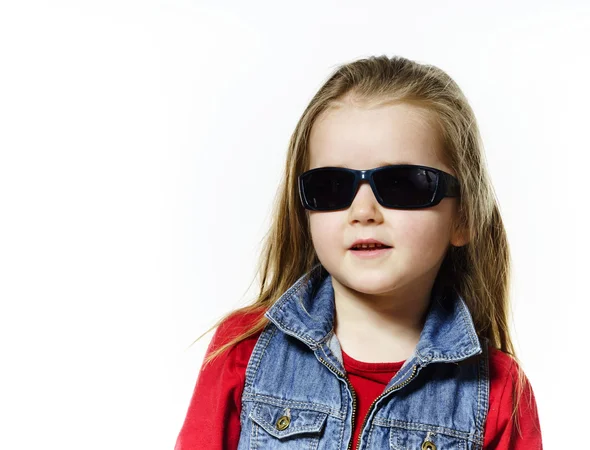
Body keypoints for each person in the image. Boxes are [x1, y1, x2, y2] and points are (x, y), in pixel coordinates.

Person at [174, 55, 543, 450]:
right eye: (331, 186)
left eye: (403, 184)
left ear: (463, 218)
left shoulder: (501, 393)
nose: (363, 212)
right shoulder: (242, 351)